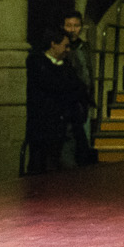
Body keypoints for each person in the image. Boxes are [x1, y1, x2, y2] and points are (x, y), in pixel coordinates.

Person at [25, 29, 88, 173]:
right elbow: (54, 87)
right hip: (46, 127)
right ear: (53, 44)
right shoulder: (37, 63)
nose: (67, 50)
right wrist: (68, 90)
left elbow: (79, 87)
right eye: (65, 46)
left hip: (66, 125)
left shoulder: (67, 66)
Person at [58, 10, 100, 165]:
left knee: (83, 142)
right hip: (69, 103)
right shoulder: (61, 49)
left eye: (76, 25)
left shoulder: (84, 47)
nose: (72, 29)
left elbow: (88, 72)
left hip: (83, 102)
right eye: (69, 25)